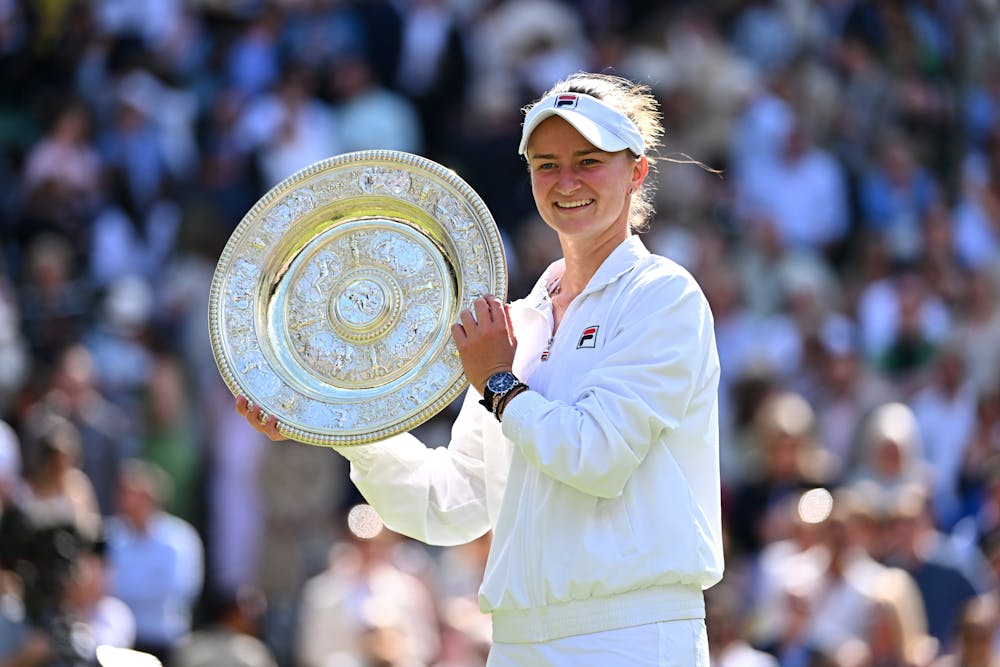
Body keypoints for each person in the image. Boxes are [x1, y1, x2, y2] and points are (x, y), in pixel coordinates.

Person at [238, 71, 724, 665]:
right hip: (518, 641)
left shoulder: (662, 296)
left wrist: (499, 383)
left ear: (637, 171)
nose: (565, 181)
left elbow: (598, 456)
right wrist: (343, 422)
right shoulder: (516, 322)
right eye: (546, 164)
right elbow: (451, 502)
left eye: (588, 161)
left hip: (633, 637)